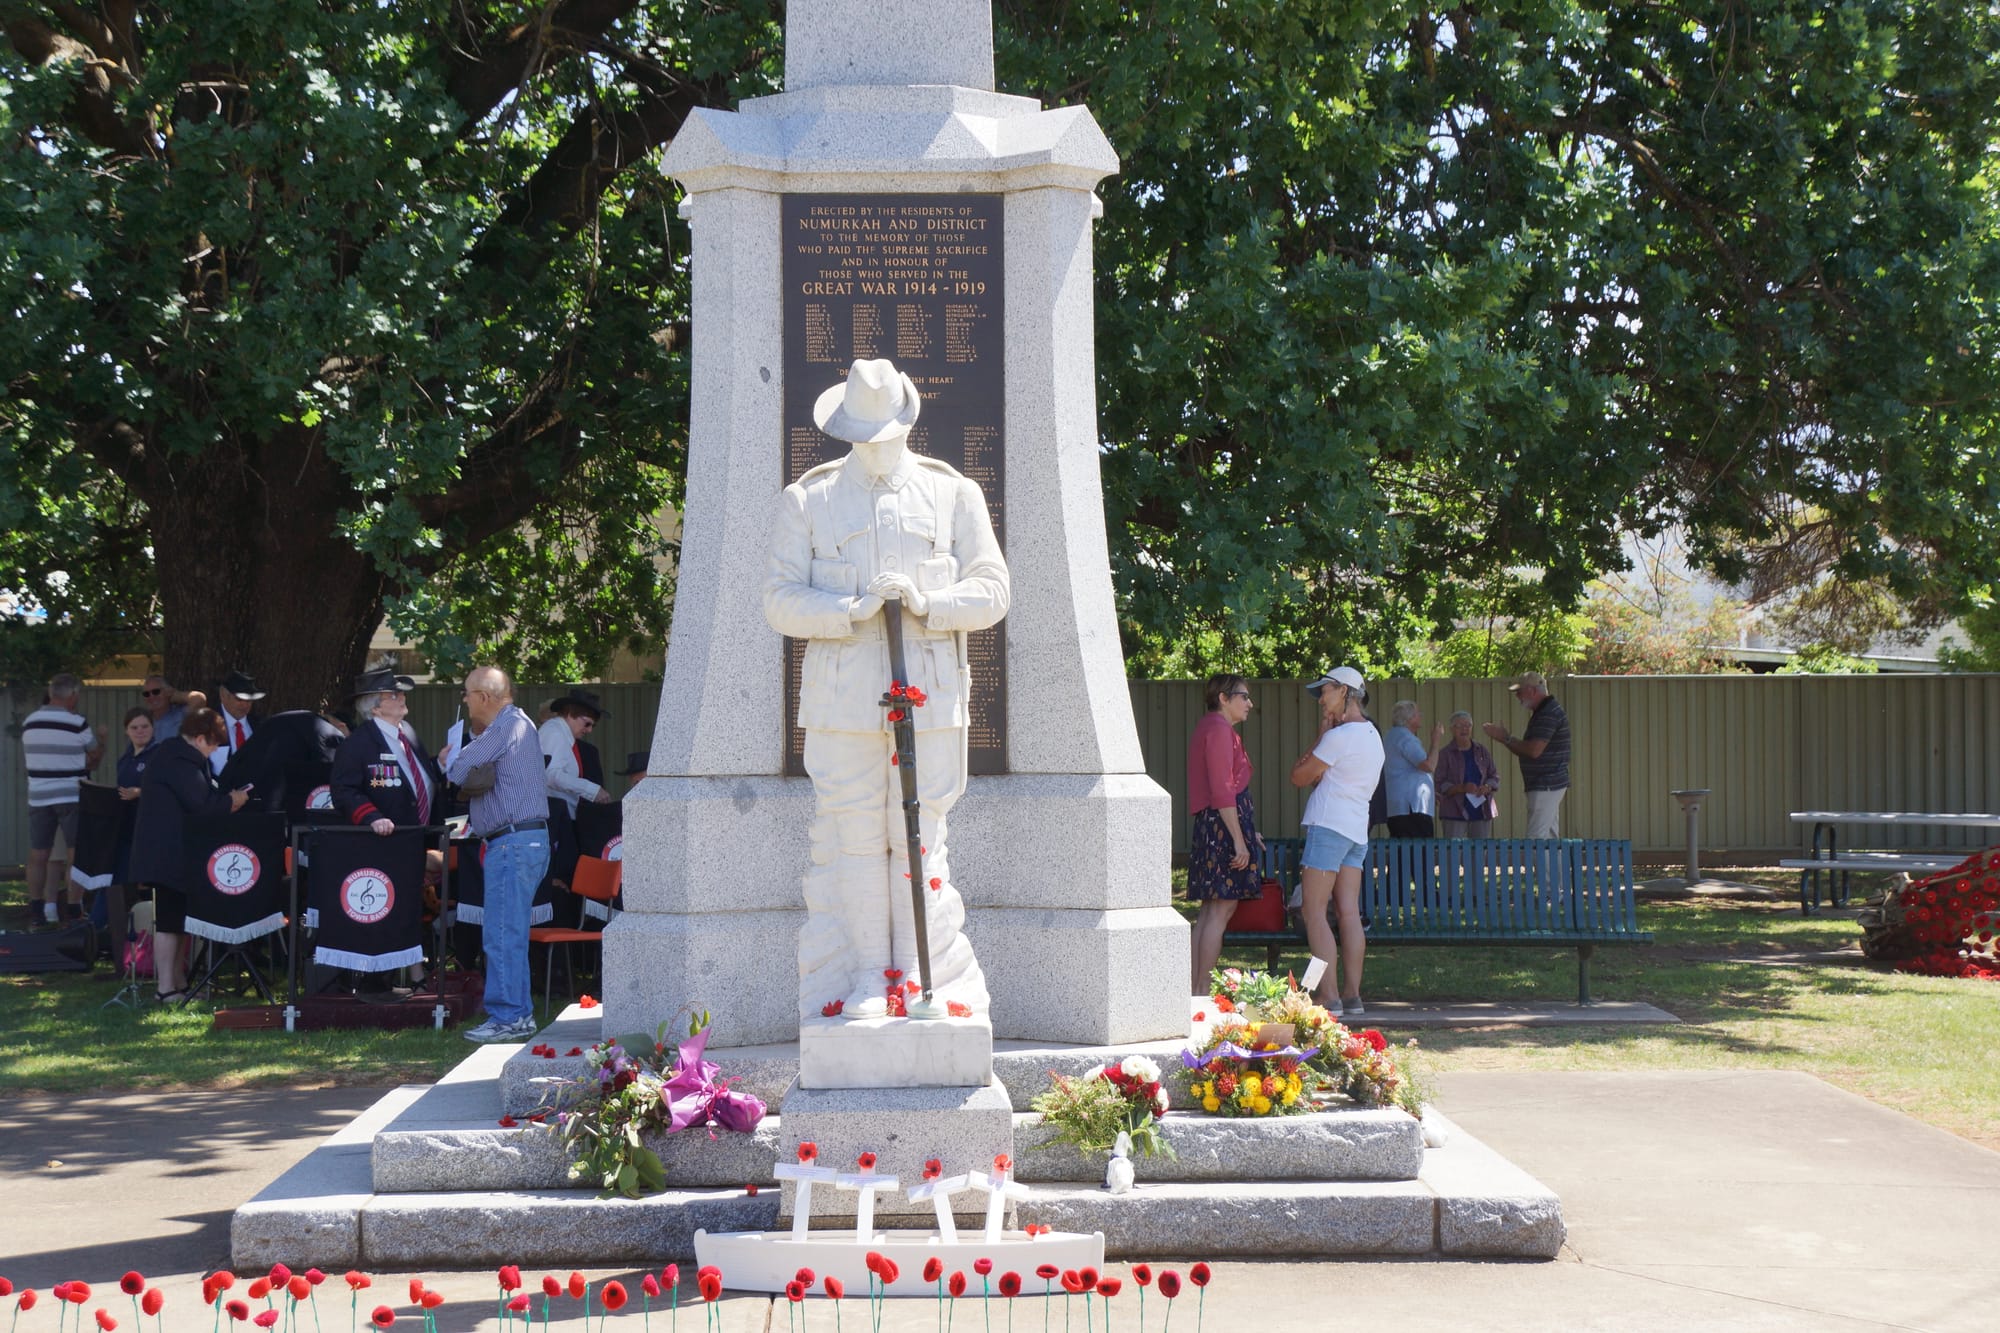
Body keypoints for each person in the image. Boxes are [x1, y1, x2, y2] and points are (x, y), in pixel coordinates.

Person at [764, 357, 1008, 1020]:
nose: (876, 449)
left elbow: (993, 589)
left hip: (927, 695)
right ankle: (873, 977)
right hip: (843, 701)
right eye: (863, 436)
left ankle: (927, 981)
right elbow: (779, 600)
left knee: (918, 837)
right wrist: (849, 608)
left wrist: (929, 601)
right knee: (855, 836)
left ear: (906, 423)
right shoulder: (807, 499)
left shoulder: (952, 493)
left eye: (886, 434)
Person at [443, 666, 552, 1043]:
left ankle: (508, 1018)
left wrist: (449, 757)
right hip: (521, 841)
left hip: (513, 843)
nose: (465, 700)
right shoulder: (517, 725)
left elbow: (456, 770)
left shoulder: (505, 727)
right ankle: (517, 1015)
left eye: (467, 693)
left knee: (502, 933)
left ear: (485, 697)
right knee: (511, 933)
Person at [128, 708, 251, 1001]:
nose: (212, 753)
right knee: (170, 921)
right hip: (168, 853)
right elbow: (202, 804)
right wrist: (232, 801)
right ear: (199, 739)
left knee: (179, 920)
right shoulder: (181, 761)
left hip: (171, 851)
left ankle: (179, 983)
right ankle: (166, 988)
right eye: (212, 746)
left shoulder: (172, 755)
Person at [1290, 666, 1383, 1016]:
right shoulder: (1374, 736)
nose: (1321, 698)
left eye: (1325, 691)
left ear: (1344, 692)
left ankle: (1327, 998)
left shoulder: (1337, 738)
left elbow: (1299, 776)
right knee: (1348, 913)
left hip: (1328, 826)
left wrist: (1319, 736)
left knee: (1313, 911)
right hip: (1356, 831)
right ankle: (1352, 996)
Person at [1185, 674, 1263, 994]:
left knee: (1211, 908)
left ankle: (1192, 989)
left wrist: (1248, 831)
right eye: (1243, 696)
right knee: (1220, 909)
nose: (1249, 703)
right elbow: (1222, 790)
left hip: (1218, 825)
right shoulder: (1218, 729)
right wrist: (1238, 838)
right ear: (1223, 698)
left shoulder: (1212, 727)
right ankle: (1200, 989)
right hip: (1221, 827)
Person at [22, 673, 105, 924]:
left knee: (39, 854)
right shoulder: (77, 723)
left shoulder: (30, 722)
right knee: (75, 854)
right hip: (71, 794)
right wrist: (102, 741)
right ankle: (73, 907)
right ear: (72, 696)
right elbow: (95, 758)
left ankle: (37, 909)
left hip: (38, 795)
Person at [331, 670, 441, 834]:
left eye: (401, 693)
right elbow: (344, 790)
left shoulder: (407, 731)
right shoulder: (357, 744)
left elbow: (414, 774)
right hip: (386, 841)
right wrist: (372, 817)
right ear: (375, 708)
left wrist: (440, 764)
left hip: (422, 835)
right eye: (394, 696)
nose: (403, 697)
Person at [1483, 671, 1572, 838]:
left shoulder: (1548, 714)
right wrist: (1507, 739)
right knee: (1550, 838)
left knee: (1536, 838)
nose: (1517, 696)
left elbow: (1533, 751)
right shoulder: (1545, 711)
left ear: (1532, 691)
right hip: (1547, 784)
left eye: (1520, 691)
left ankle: (1543, 865)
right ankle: (1555, 866)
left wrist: (1505, 738)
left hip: (1546, 784)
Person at [1383, 700, 1445, 838]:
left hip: (1398, 805)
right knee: (1418, 852)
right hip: (1411, 807)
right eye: (1418, 714)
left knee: (1401, 852)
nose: (1421, 716)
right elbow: (1429, 765)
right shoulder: (1406, 738)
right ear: (1409, 718)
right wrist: (1435, 741)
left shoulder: (1391, 736)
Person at [1435, 710, 1500, 837]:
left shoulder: (1481, 750)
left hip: (1481, 810)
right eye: (1459, 726)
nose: (1464, 729)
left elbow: (1494, 776)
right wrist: (1461, 788)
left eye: (1468, 725)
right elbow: (1439, 783)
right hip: (1453, 811)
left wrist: (1487, 787)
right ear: (1452, 729)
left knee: (1480, 853)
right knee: (1453, 853)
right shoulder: (1445, 754)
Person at [210, 669, 266, 776]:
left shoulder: (260, 725)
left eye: (249, 700)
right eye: (239, 699)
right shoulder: (208, 724)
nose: (245, 705)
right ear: (223, 695)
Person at [139, 674, 192, 742]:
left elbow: (198, 699)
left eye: (156, 692)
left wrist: (176, 695)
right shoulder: (142, 721)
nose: (151, 697)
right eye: (146, 694)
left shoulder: (181, 715)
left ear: (168, 692)